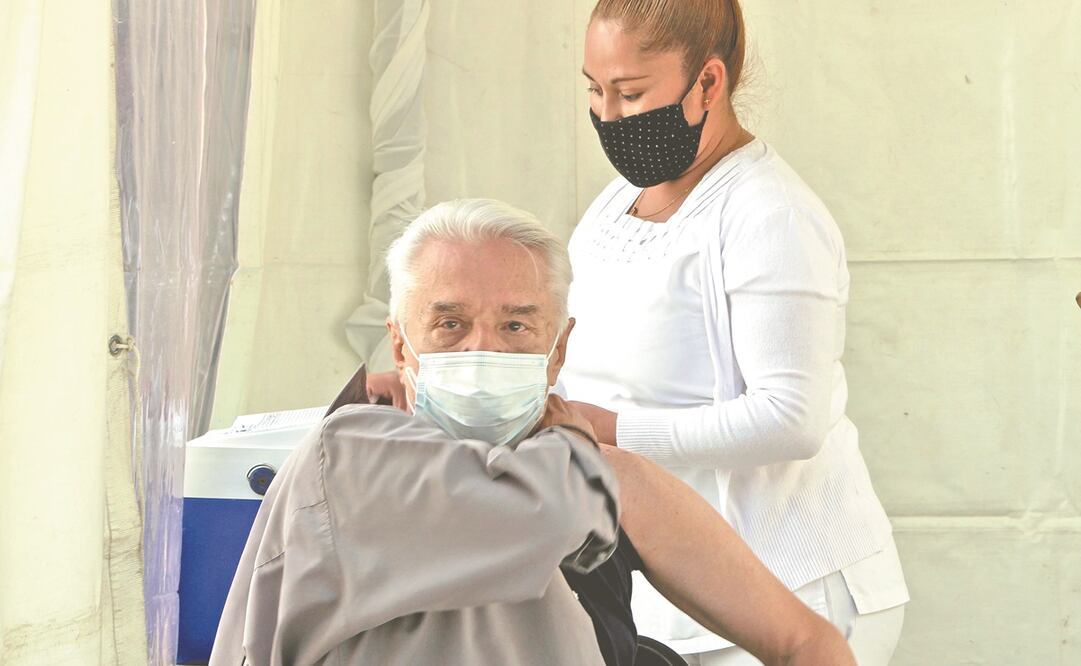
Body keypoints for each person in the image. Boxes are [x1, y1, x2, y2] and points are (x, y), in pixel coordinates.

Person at [216, 199, 855, 665]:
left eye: (517, 327)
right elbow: (541, 509)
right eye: (450, 324)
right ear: (401, 344)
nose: (483, 349)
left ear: (559, 349)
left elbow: (806, 644)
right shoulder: (347, 465)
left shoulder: (616, 483)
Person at [556, 1, 911, 664]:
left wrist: (611, 433)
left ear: (708, 84)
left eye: (630, 92)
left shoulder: (766, 214)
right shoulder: (612, 206)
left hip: (792, 597)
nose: (606, 115)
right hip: (677, 595)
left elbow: (790, 420)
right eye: (594, 89)